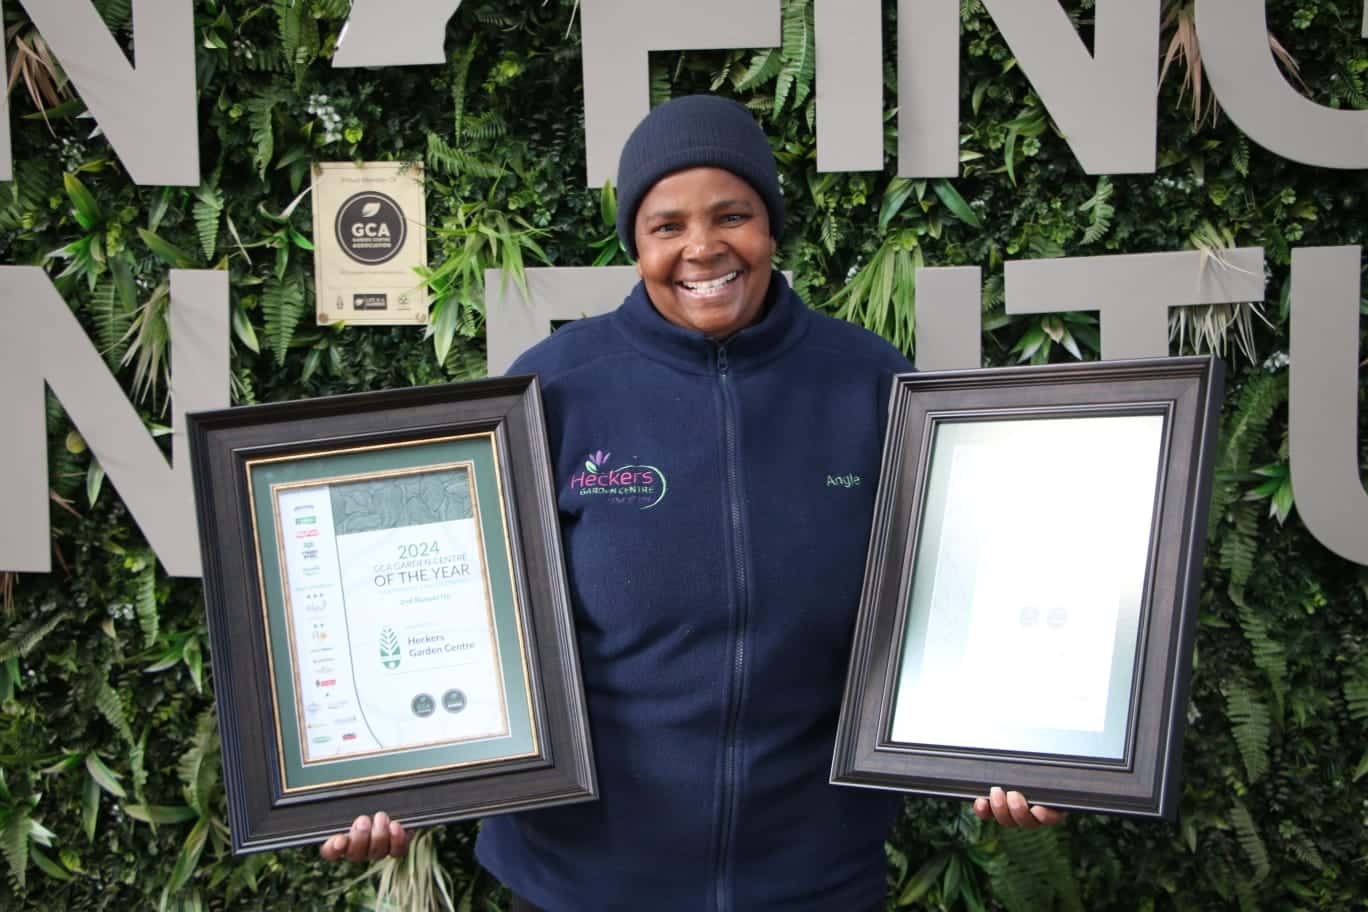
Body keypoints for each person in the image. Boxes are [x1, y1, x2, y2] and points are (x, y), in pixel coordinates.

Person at [321, 94, 1062, 910]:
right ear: (636, 244)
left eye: (732, 215)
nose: (703, 247)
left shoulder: (869, 382)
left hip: (810, 879)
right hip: (583, 882)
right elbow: (458, 609)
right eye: (667, 225)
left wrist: (1014, 747)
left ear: (770, 227)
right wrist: (395, 771)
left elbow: (954, 594)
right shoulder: (553, 387)